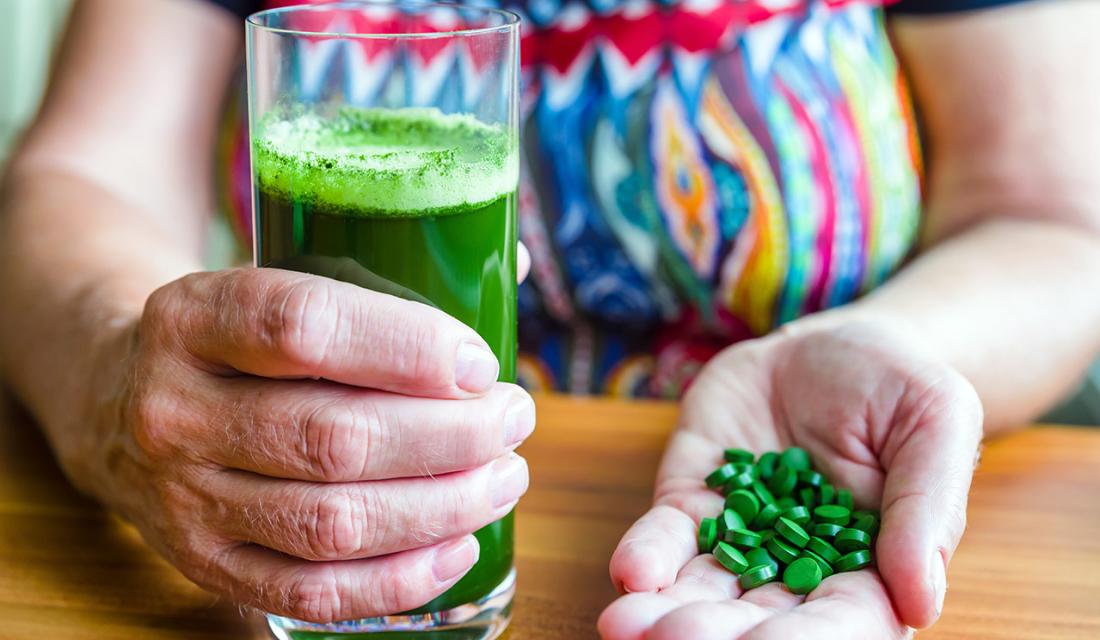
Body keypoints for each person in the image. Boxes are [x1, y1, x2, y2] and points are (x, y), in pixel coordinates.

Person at [1, 0, 1098, 637]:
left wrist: (900, 350)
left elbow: (1047, 219)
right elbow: (80, 176)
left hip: (763, 474)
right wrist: (116, 371)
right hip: (287, 557)